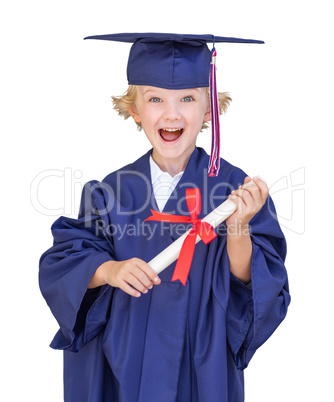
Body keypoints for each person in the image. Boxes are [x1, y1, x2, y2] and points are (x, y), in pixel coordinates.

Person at [39, 33, 290, 402]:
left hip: (200, 364)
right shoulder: (110, 192)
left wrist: (238, 227)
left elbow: (252, 287)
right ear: (135, 110)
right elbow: (66, 265)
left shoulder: (235, 191)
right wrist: (110, 270)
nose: (171, 113)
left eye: (187, 98)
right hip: (122, 364)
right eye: (155, 99)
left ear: (209, 110)